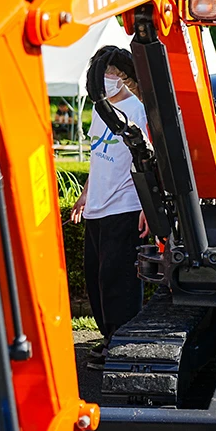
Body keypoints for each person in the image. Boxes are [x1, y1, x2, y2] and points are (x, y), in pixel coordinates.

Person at [71, 46, 150, 370]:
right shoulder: (100, 110)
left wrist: (148, 207)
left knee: (119, 280)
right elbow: (97, 157)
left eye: (112, 74)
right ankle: (108, 337)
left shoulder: (138, 110)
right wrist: (84, 195)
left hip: (124, 207)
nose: (106, 79)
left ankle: (121, 341)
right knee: (97, 279)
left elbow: (150, 160)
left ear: (124, 76)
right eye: (102, 73)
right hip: (97, 208)